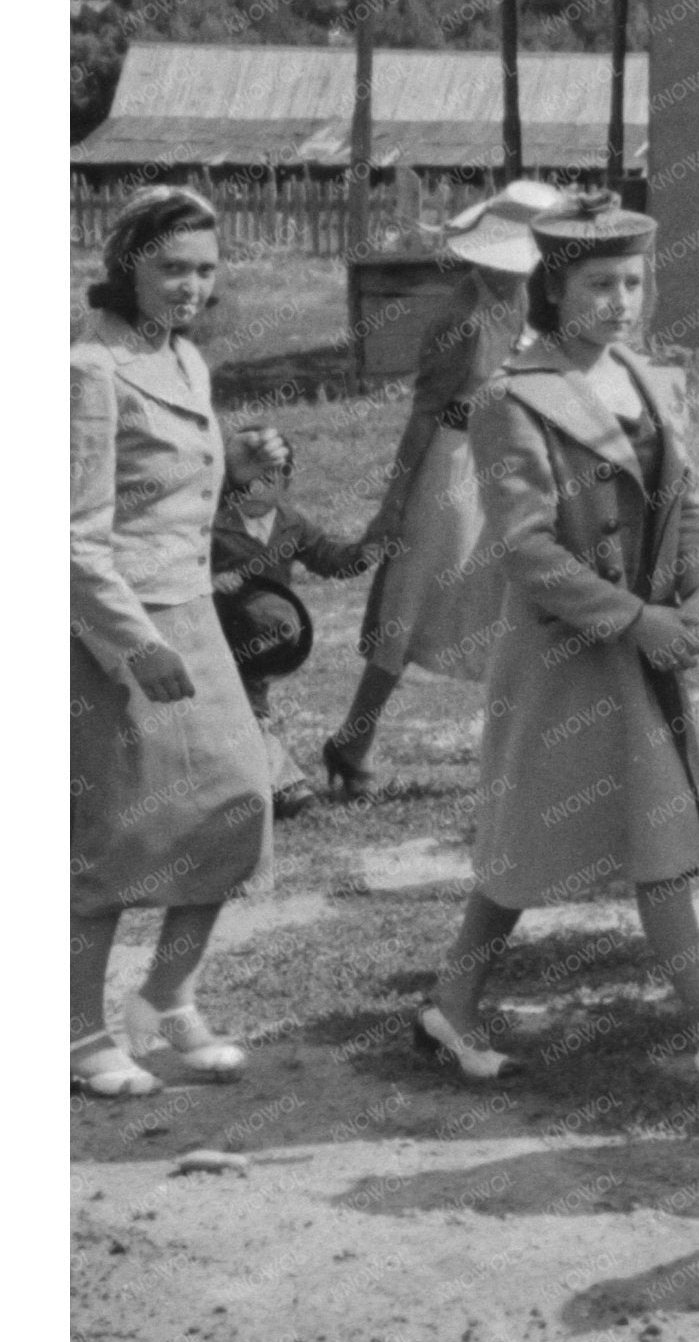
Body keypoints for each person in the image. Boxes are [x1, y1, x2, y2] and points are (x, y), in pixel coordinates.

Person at [412, 201, 699, 1102]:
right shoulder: (509, 398)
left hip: (646, 642)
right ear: (553, 286)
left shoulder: (654, 380)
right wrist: (635, 617)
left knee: (615, 830)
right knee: (559, 835)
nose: (621, 301)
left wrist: (697, 594)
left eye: (634, 282)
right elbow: (526, 549)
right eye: (599, 284)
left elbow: (691, 503)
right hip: (567, 650)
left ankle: (454, 1000)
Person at [72, 187, 276, 1096]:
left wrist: (250, 474)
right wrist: (132, 642)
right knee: (111, 834)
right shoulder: (88, 370)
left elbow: (183, 492)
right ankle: (78, 1035)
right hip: (113, 631)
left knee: (238, 803)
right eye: (170, 268)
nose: (190, 285)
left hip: (194, 614)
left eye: (204, 268)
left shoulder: (187, 359)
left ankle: (167, 996)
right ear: (128, 268)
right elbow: (69, 534)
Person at [324, 180, 562, 795]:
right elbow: (424, 415)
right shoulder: (460, 318)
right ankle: (354, 740)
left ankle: (516, 749)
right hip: (451, 464)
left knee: (510, 597)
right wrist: (395, 504)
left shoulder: (531, 304)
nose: (507, 270)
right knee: (414, 599)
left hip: (507, 457)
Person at [209, 423, 381, 816]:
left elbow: (329, 558)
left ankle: (251, 785)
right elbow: (184, 567)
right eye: (242, 485)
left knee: (249, 711)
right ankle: (289, 790)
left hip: (267, 637)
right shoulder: (213, 523)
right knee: (246, 713)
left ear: (286, 478)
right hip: (220, 634)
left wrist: (366, 552)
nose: (253, 493)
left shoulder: (291, 522)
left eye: (267, 480)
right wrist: (213, 580)